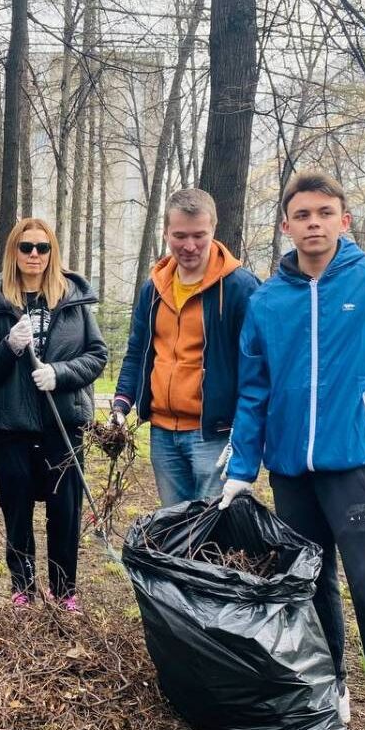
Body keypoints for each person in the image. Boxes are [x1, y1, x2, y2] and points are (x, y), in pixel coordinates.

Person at [220, 171, 365, 730]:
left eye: (325, 212)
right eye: (301, 214)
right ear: (286, 225)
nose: (313, 223)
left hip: (355, 465)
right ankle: (330, 688)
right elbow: (254, 390)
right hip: (292, 470)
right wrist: (242, 467)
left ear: (344, 221)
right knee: (311, 584)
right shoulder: (268, 300)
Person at [0, 218, 107, 612]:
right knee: (16, 509)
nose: (34, 254)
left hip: (61, 423)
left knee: (65, 510)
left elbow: (98, 355)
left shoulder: (72, 300)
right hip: (11, 424)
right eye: (26, 247)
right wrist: (9, 347)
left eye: (42, 247)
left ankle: (65, 590)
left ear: (53, 252)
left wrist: (60, 374)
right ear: (14, 252)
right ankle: (22, 588)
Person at [111, 188, 259, 505]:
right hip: (163, 435)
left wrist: (245, 431)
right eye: (179, 236)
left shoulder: (239, 288)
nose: (189, 246)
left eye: (198, 235)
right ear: (165, 232)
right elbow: (137, 351)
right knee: (175, 530)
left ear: (213, 230)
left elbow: (255, 368)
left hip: (215, 434)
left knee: (212, 532)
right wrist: (121, 404)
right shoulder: (153, 288)